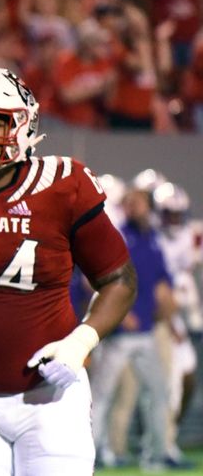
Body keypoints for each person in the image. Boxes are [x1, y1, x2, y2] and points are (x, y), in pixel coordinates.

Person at [0, 67, 136, 476]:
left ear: (23, 124)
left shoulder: (64, 183)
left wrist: (81, 341)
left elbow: (119, 280)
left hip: (51, 393)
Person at [90, 185, 176, 471]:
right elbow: (92, 277)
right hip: (119, 334)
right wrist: (117, 311)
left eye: (138, 203)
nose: (134, 208)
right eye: (130, 203)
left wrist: (166, 300)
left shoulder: (152, 238)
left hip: (148, 331)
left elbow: (162, 278)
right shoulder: (118, 236)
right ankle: (95, 452)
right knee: (103, 395)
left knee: (159, 392)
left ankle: (156, 453)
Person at [154, 181, 201, 468]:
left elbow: (185, 274)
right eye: (169, 214)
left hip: (178, 320)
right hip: (159, 320)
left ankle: (167, 440)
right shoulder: (152, 239)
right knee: (168, 386)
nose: (174, 220)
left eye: (177, 214)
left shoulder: (187, 237)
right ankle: (163, 447)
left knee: (186, 379)